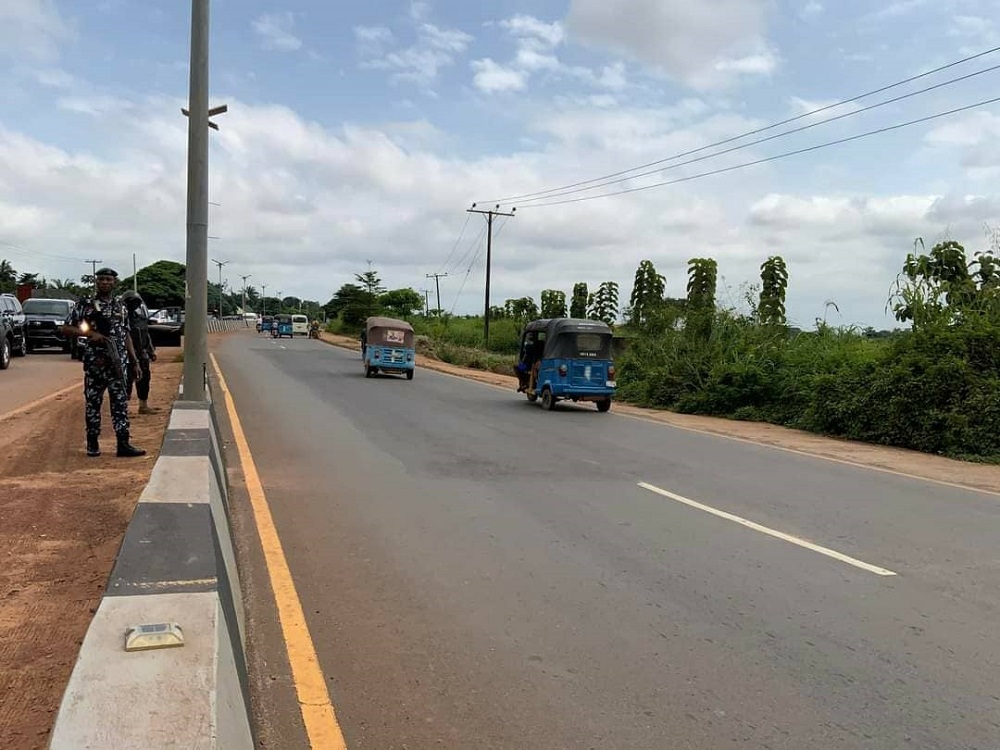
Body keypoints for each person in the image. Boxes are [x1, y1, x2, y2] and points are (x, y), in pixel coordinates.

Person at [61, 268, 146, 458]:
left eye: (108, 279)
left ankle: (123, 444)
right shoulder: (85, 305)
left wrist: (135, 361)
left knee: (120, 404)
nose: (105, 282)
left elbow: (126, 336)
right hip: (95, 363)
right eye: (101, 279)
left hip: (118, 363)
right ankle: (92, 443)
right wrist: (90, 334)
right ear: (96, 282)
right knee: (93, 403)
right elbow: (66, 328)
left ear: (114, 282)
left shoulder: (120, 307)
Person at [121, 290, 157, 415]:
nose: (133, 305)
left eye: (136, 302)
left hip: (142, 354)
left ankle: (143, 406)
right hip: (126, 355)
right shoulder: (121, 320)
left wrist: (151, 351)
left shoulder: (141, 319)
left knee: (144, 380)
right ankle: (123, 408)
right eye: (130, 302)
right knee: (126, 382)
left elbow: (146, 335)